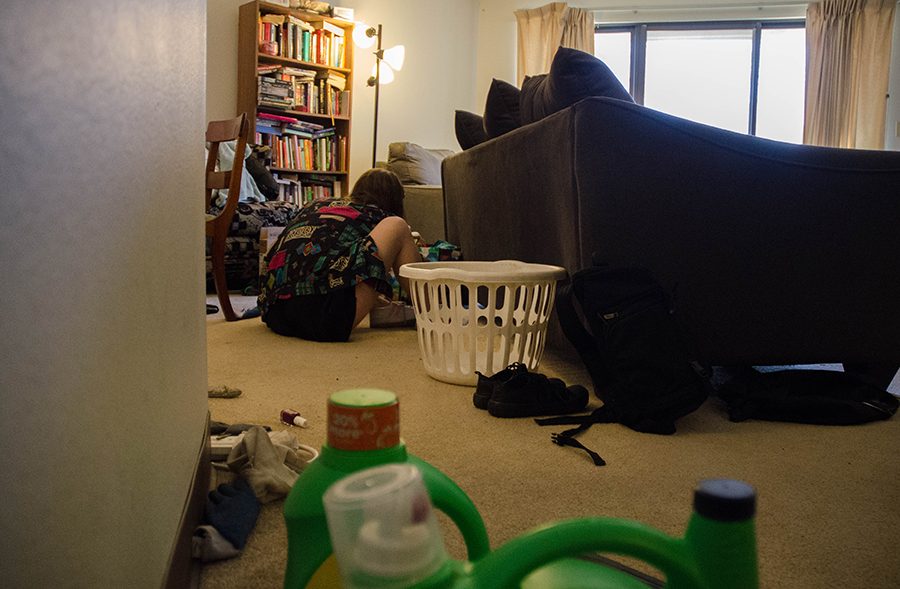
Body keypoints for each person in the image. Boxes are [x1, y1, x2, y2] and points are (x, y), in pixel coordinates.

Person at [258, 168, 423, 342]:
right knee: (398, 226)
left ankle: (384, 309)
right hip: (324, 318)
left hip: (275, 312)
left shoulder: (317, 204)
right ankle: (432, 311)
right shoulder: (379, 216)